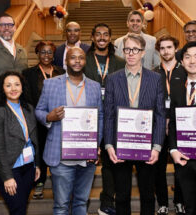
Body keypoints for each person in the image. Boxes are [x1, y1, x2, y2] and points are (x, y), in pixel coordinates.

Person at [35, 47, 103, 215]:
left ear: (85, 61)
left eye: (81, 58)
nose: (77, 61)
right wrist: (49, 117)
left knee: (81, 202)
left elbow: (100, 116)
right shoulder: (50, 83)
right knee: (61, 205)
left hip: (86, 157)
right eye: (73, 58)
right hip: (60, 156)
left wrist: (96, 144)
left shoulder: (95, 86)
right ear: (66, 61)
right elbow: (39, 110)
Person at [104, 34, 166, 215]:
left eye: (135, 50)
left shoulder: (155, 79)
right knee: (122, 195)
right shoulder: (113, 79)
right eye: (127, 49)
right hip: (120, 146)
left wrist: (157, 147)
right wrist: (108, 145)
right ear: (123, 52)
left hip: (146, 146)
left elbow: (161, 115)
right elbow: (108, 114)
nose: (131, 53)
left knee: (147, 194)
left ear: (143, 52)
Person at [85, 23, 125, 215]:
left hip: (112, 117)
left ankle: (107, 202)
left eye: (106, 34)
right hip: (88, 117)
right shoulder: (83, 60)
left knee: (110, 161)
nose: (102, 37)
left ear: (110, 38)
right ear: (92, 37)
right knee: (87, 159)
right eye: (98, 34)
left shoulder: (119, 62)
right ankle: (80, 201)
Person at [0, 13, 27, 205]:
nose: (6, 28)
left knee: (13, 143)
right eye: (2, 25)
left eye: (10, 25)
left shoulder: (21, 50)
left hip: (15, 109)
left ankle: (17, 176)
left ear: (14, 26)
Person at [0, 71, 40, 215]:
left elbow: (34, 139)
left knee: (21, 208)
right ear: (2, 89)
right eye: (8, 85)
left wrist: (36, 164)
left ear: (22, 87)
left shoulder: (29, 108)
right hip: (9, 168)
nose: (13, 89)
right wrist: (7, 177)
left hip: (28, 167)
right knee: (17, 209)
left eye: (17, 84)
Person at [22, 41, 65, 199]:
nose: (46, 55)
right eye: (42, 52)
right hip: (37, 119)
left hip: (58, 118)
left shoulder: (61, 72)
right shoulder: (28, 73)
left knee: (58, 151)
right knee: (38, 150)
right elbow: (25, 97)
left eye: (49, 52)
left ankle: (58, 182)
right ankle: (39, 182)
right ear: (37, 54)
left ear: (54, 55)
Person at [169, 41, 196, 215]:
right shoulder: (176, 87)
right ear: (181, 61)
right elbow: (173, 121)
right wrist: (173, 149)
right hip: (183, 159)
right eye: (187, 57)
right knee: (190, 207)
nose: (192, 61)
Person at [154, 35, 187, 215]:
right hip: (158, 125)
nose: (166, 51)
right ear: (158, 51)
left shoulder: (185, 71)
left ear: (176, 49)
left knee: (180, 165)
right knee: (158, 167)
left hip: (180, 125)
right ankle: (163, 203)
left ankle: (180, 201)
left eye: (169, 47)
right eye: (162, 48)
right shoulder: (152, 72)